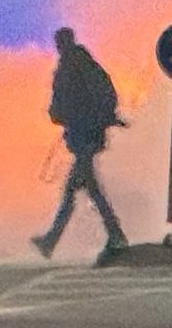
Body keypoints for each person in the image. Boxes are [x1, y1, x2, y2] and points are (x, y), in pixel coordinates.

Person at [32, 27, 129, 260]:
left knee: (86, 189)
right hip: (86, 133)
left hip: (84, 134)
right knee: (80, 188)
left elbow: (65, 103)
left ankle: (115, 234)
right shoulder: (83, 65)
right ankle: (51, 240)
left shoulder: (72, 68)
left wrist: (63, 115)